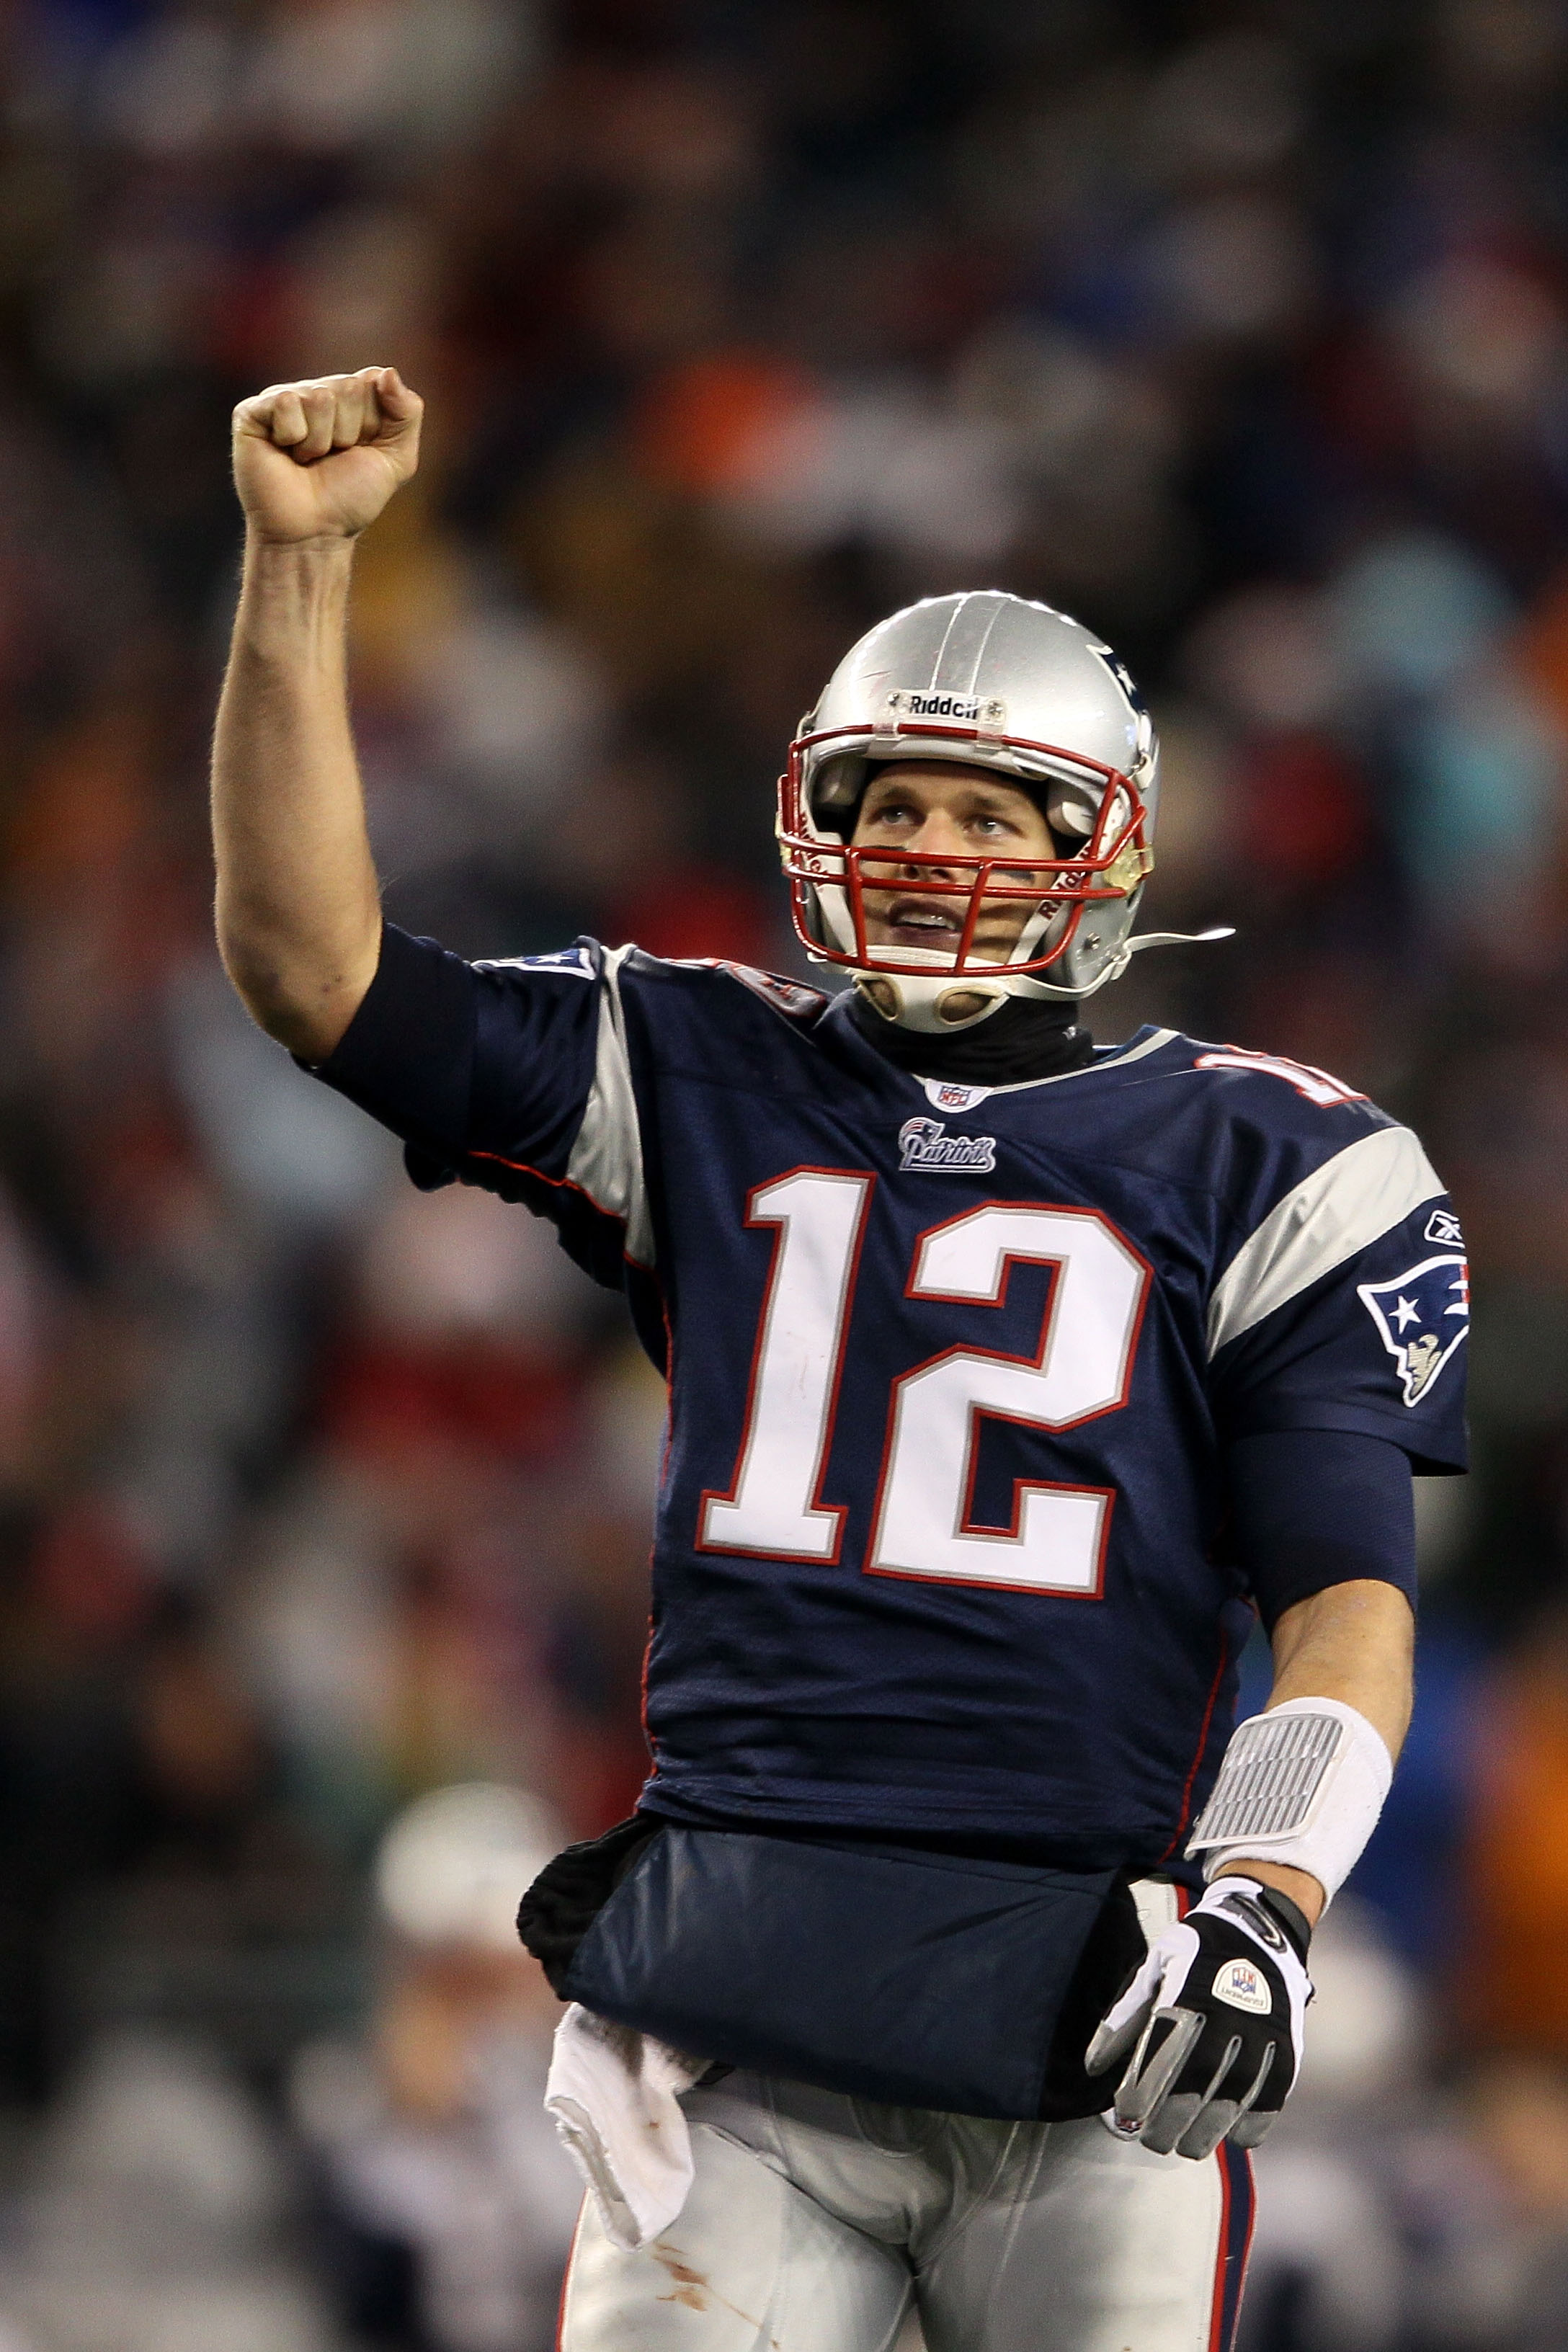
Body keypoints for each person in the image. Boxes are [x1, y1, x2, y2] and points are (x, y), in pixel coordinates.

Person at [212, 370, 1468, 2352]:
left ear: (1103, 850)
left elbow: (1347, 1614)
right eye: (895, 804)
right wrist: (300, 572)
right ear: (818, 822)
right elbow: (316, 971)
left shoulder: (1273, 1153)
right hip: (736, 2011)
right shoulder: (708, 1066)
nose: (934, 847)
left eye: (991, 809)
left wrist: (1270, 1899)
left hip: (1094, 2020)